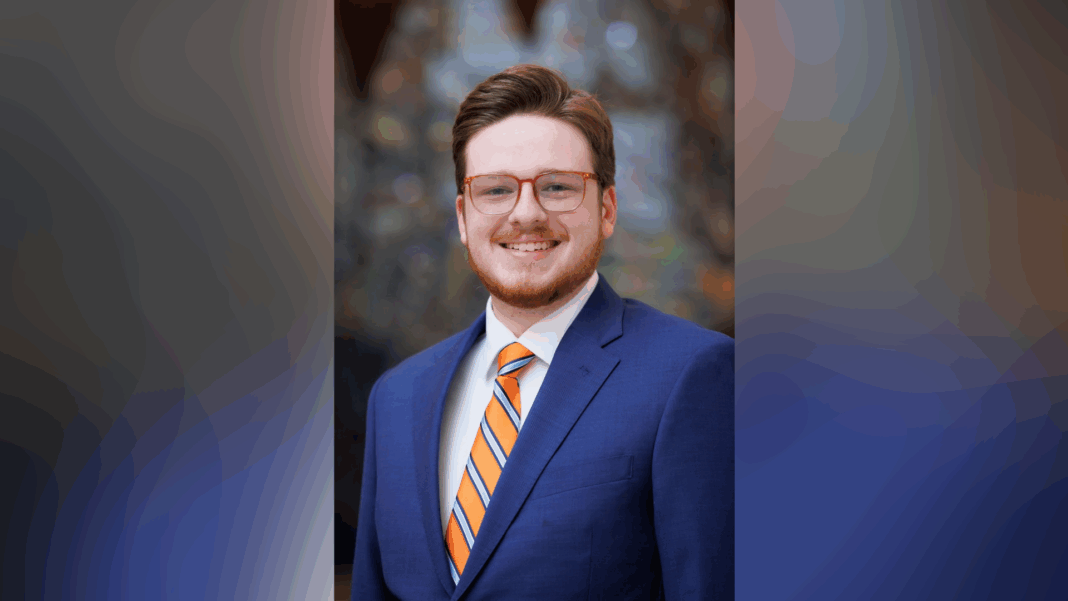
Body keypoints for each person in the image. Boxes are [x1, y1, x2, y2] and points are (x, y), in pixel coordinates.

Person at [352, 64, 733, 600]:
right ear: (463, 217)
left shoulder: (693, 375)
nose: (526, 214)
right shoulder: (395, 398)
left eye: (557, 187)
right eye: (495, 190)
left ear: (607, 208)